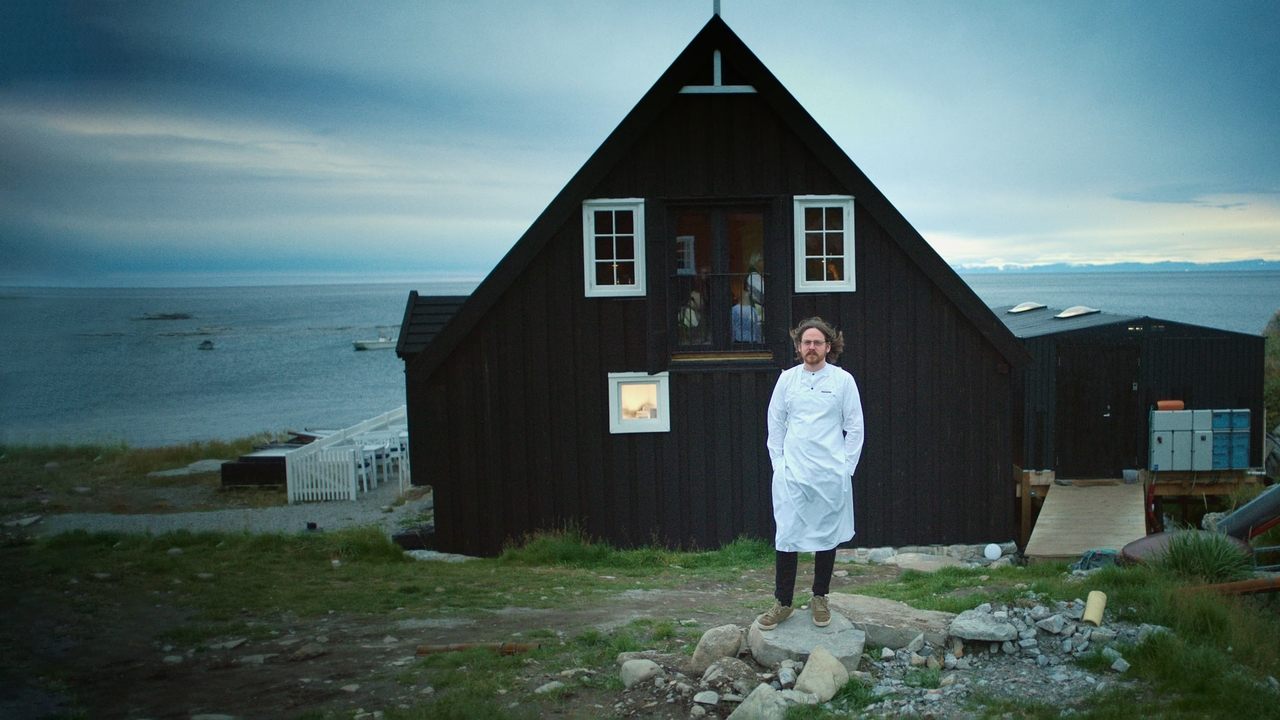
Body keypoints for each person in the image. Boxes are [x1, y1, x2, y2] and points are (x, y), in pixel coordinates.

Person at [757, 317, 865, 630]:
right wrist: (779, 466)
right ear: (799, 347)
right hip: (792, 474)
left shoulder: (843, 381)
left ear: (829, 347)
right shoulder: (787, 380)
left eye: (818, 342)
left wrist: (846, 469)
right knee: (787, 535)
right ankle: (783, 602)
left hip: (830, 474)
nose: (812, 347)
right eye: (807, 342)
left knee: (827, 536)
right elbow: (775, 424)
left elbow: (855, 426)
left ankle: (820, 597)